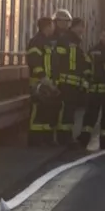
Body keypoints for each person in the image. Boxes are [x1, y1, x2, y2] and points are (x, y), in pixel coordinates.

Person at [50, 9, 89, 147]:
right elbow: (57, 62)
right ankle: (63, 138)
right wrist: (56, 81)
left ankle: (66, 137)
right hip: (65, 83)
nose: (82, 30)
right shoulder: (65, 40)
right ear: (73, 27)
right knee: (66, 111)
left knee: (70, 111)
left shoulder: (75, 42)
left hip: (73, 84)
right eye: (80, 27)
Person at [25, 16, 61, 146]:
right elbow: (34, 61)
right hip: (39, 82)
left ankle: (46, 139)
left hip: (47, 82)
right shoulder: (36, 42)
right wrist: (43, 77)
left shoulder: (47, 42)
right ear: (47, 26)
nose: (54, 28)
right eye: (52, 25)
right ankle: (34, 140)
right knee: (37, 111)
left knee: (47, 110)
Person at [77, 28, 105, 149]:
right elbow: (85, 66)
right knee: (90, 116)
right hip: (94, 89)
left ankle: (104, 141)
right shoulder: (93, 51)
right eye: (104, 36)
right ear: (100, 36)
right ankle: (84, 140)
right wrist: (88, 78)